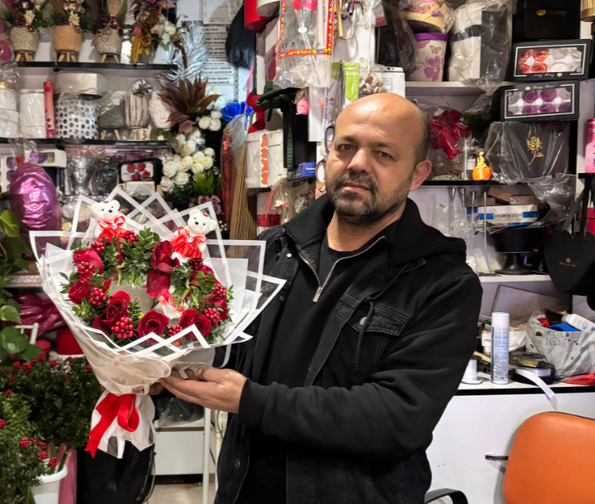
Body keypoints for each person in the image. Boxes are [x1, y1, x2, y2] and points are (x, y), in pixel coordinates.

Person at [160, 93, 482, 504]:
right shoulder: (275, 247)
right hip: (244, 489)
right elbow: (235, 350)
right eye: (346, 147)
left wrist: (253, 401)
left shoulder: (443, 283)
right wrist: (163, 367)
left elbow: (398, 418)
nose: (358, 163)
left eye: (383, 153)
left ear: (417, 174)